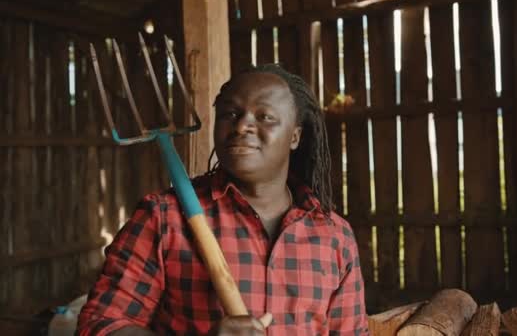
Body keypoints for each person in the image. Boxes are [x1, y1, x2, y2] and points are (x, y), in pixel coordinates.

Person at [77, 64, 368, 335]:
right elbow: (99, 324)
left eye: (264, 117)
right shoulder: (164, 218)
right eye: (230, 114)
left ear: (295, 136)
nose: (242, 126)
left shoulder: (334, 237)